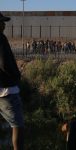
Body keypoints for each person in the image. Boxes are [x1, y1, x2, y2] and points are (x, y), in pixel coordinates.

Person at [0, 12, 24, 150]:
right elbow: (5, 63)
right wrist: (16, 77)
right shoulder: (1, 38)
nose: (4, 25)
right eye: (1, 21)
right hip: (6, 90)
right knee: (17, 125)